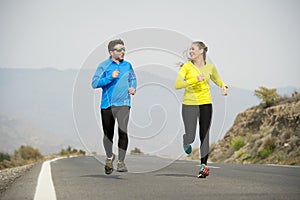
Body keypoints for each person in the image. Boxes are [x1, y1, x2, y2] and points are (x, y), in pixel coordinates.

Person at [174, 41, 228, 178]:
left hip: (206, 104)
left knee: (204, 134)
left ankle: (203, 166)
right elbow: (177, 84)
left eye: (193, 49)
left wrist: (223, 86)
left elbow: (217, 80)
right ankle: (186, 140)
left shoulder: (210, 67)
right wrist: (194, 80)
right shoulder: (186, 67)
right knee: (191, 135)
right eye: (190, 49)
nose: (190, 51)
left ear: (201, 51)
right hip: (189, 104)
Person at [92, 39, 137, 174]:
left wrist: (133, 87)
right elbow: (95, 83)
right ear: (111, 52)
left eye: (124, 49)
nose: (122, 52)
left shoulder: (128, 65)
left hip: (124, 104)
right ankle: (109, 157)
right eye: (119, 50)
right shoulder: (103, 66)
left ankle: (121, 162)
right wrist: (110, 77)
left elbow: (133, 78)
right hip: (107, 105)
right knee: (108, 134)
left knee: (123, 132)